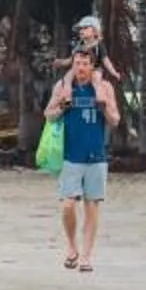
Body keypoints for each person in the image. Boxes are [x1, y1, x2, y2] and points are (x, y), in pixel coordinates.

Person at [47, 44, 121, 271]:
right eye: (77, 63)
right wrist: (62, 106)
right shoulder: (63, 86)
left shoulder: (104, 87)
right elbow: (49, 115)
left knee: (92, 206)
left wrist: (103, 106)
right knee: (68, 205)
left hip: (96, 156)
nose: (80, 68)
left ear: (92, 66)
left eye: (85, 64)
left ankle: (86, 256)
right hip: (71, 156)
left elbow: (115, 120)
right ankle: (72, 246)